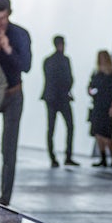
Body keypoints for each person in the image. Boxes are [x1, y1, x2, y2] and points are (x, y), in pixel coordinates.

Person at [0, 0, 32, 205]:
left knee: (9, 149)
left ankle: (5, 198)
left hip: (14, 94)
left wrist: (7, 49)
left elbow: (26, 65)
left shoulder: (19, 34)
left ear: (9, 15)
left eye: (2, 18)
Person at [41, 35, 77, 168]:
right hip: (60, 98)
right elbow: (68, 78)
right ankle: (67, 156)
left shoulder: (48, 61)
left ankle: (54, 157)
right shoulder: (64, 60)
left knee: (51, 128)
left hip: (52, 98)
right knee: (68, 126)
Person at [87, 50, 112, 167]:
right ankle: (103, 158)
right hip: (97, 105)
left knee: (107, 135)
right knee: (98, 133)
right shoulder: (96, 73)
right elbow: (90, 87)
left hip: (106, 107)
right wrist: (91, 91)